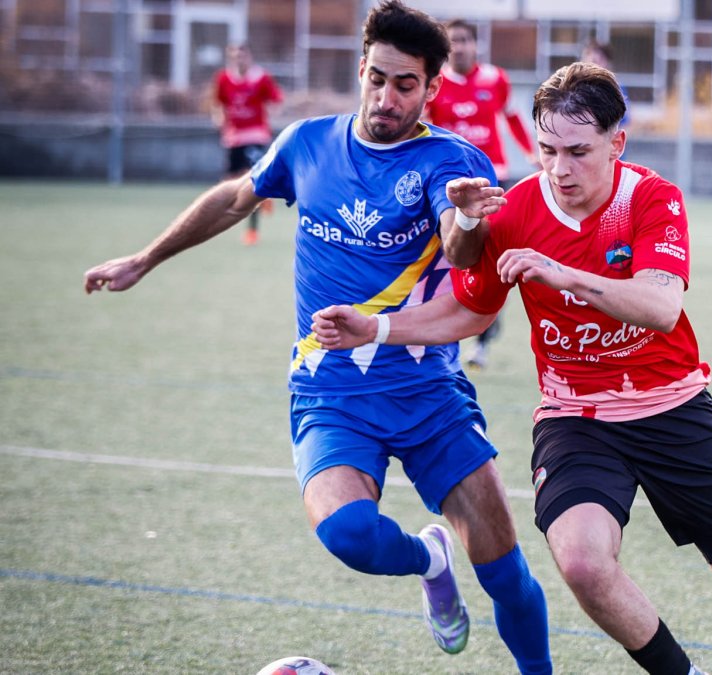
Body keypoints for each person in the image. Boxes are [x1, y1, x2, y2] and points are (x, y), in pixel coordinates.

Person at [313, 62, 712, 675]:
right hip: (577, 416)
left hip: (673, 406)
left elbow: (661, 306)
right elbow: (468, 311)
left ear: (617, 143)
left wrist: (566, 275)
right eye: (548, 149)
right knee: (581, 561)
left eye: (579, 151)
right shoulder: (518, 210)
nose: (560, 169)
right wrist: (379, 328)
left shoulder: (650, 198)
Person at [84, 3, 552, 673]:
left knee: (505, 571)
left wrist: (470, 220)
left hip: (427, 391)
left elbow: (461, 246)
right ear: (360, 70)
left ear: (431, 89)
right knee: (350, 534)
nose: (387, 97)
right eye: (378, 78)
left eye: (405, 84)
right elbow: (233, 198)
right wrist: (144, 258)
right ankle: (429, 558)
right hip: (328, 390)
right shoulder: (307, 144)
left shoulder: (449, 160)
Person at [425, 19, 539, 369]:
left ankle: (483, 342)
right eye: (453, 42)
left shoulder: (496, 79)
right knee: (447, 258)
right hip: (450, 188)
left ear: (476, 44)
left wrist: (530, 152)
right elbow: (425, 131)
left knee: (489, 261)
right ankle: (443, 337)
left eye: (464, 40)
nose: (459, 47)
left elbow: (512, 118)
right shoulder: (436, 85)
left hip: (492, 180)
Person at [211, 43, 284, 246]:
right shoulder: (224, 78)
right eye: (234, 57)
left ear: (249, 57)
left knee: (253, 182)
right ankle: (265, 199)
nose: (238, 60)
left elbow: (276, 99)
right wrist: (218, 118)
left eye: (242, 56)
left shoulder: (261, 78)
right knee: (230, 182)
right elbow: (219, 103)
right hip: (233, 137)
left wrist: (270, 114)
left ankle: (252, 231)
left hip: (255, 137)